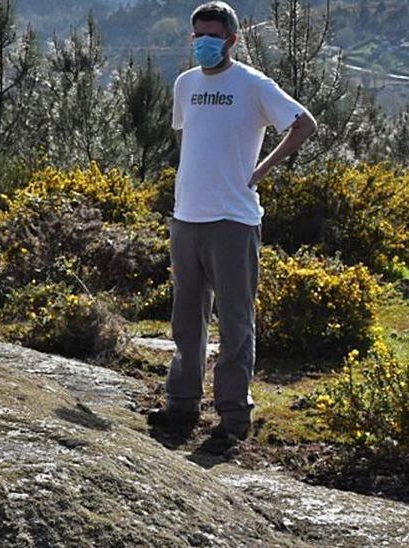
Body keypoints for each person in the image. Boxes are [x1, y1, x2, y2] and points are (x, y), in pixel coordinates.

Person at [147, 1, 318, 455]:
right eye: (199, 35)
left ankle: (232, 418)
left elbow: (304, 124)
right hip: (187, 218)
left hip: (234, 220)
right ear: (192, 38)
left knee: (236, 321)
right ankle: (182, 405)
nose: (205, 43)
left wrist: (260, 169)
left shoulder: (252, 84)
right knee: (186, 318)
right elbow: (185, 137)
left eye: (214, 36)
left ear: (232, 40)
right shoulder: (185, 84)